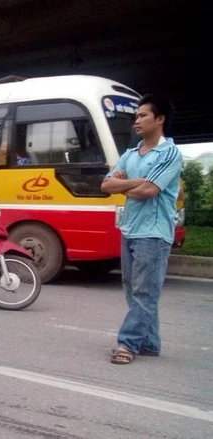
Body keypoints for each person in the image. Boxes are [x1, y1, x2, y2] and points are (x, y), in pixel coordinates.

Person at [100, 94, 182, 365]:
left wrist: (126, 185)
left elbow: (149, 191)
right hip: (130, 229)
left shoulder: (170, 153)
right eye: (136, 116)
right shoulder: (130, 154)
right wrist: (134, 183)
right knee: (133, 289)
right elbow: (106, 186)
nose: (137, 121)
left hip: (154, 233)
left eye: (143, 115)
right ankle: (150, 343)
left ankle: (128, 343)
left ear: (160, 119)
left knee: (144, 291)